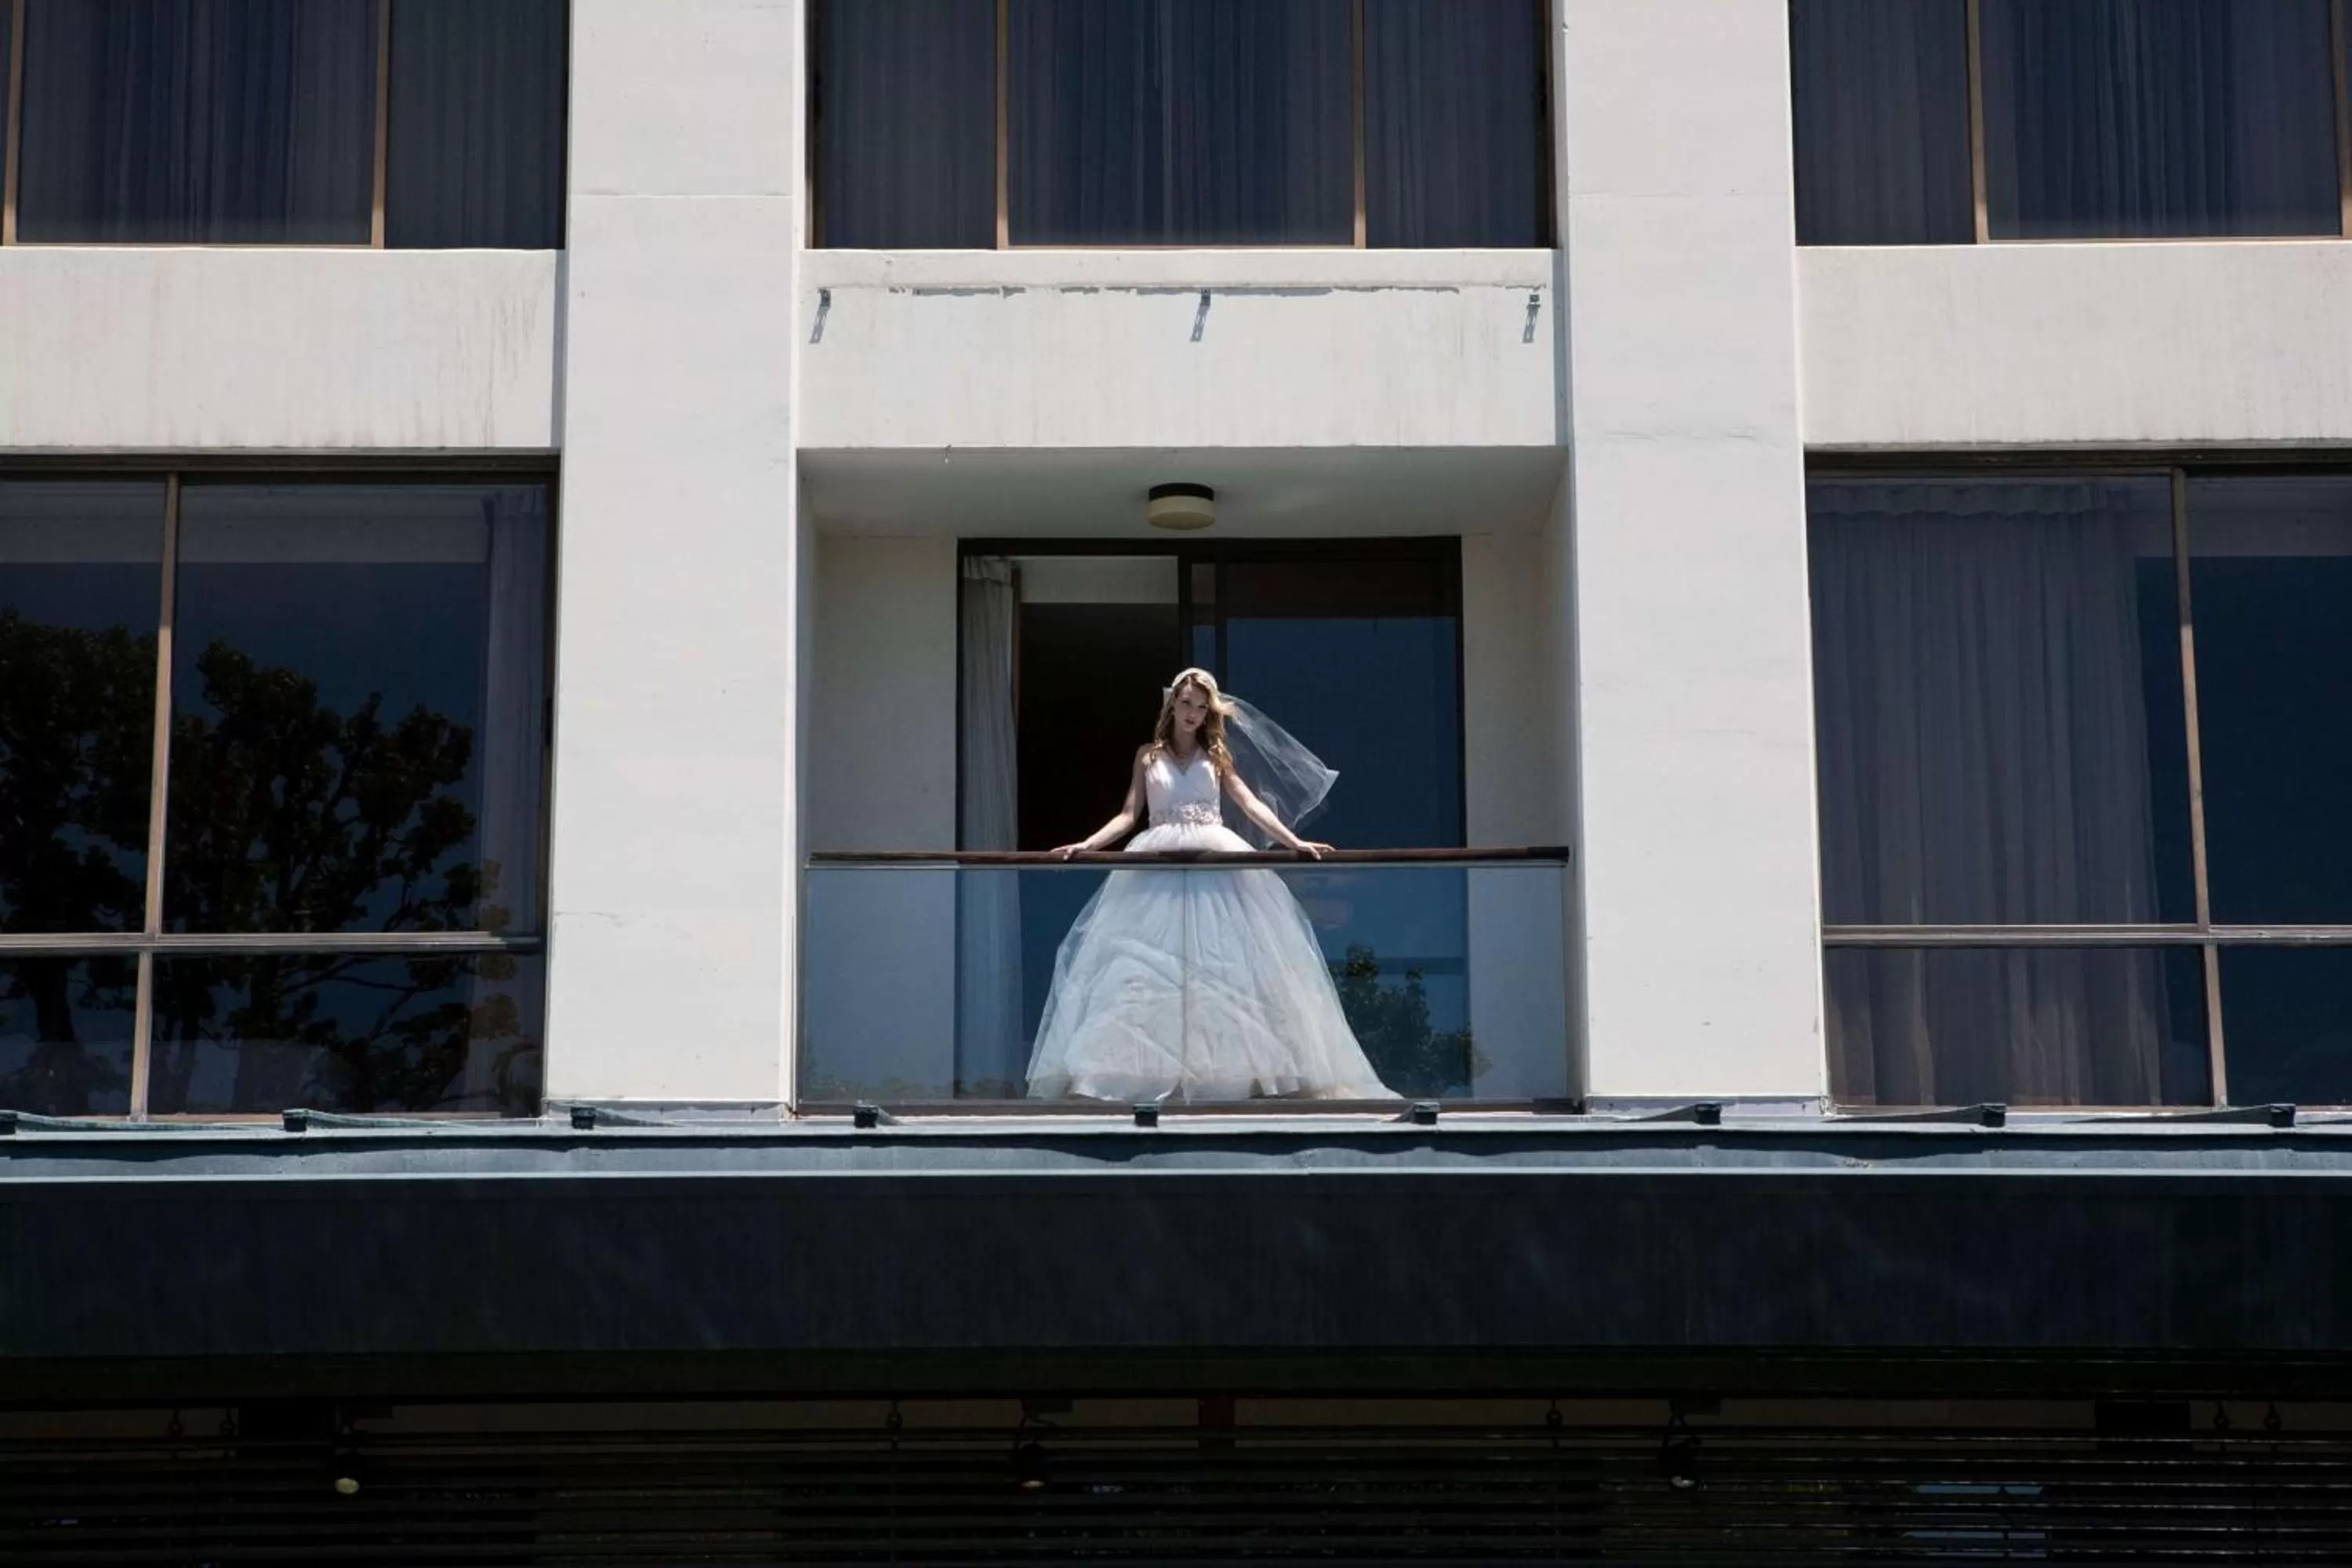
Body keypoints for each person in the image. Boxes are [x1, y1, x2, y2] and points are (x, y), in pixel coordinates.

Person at [1023, 669, 1400, 1103]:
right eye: (1186, 704)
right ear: (1172, 705)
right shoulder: (1148, 756)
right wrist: (1086, 844)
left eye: (1202, 708)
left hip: (1216, 860)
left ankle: (1236, 1078)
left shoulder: (1216, 755)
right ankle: (1140, 1079)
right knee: (1144, 974)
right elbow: (1130, 815)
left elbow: (1250, 803)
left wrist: (1293, 842)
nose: (1193, 713)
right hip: (1156, 866)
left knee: (1228, 969)